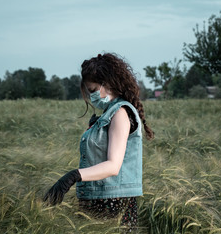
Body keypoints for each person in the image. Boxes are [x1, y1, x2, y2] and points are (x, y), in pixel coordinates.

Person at [43, 53, 154, 231]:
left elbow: (113, 166)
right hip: (98, 198)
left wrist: (73, 176)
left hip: (112, 202)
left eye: (94, 90)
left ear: (108, 83)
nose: (91, 96)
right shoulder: (110, 113)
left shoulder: (120, 113)